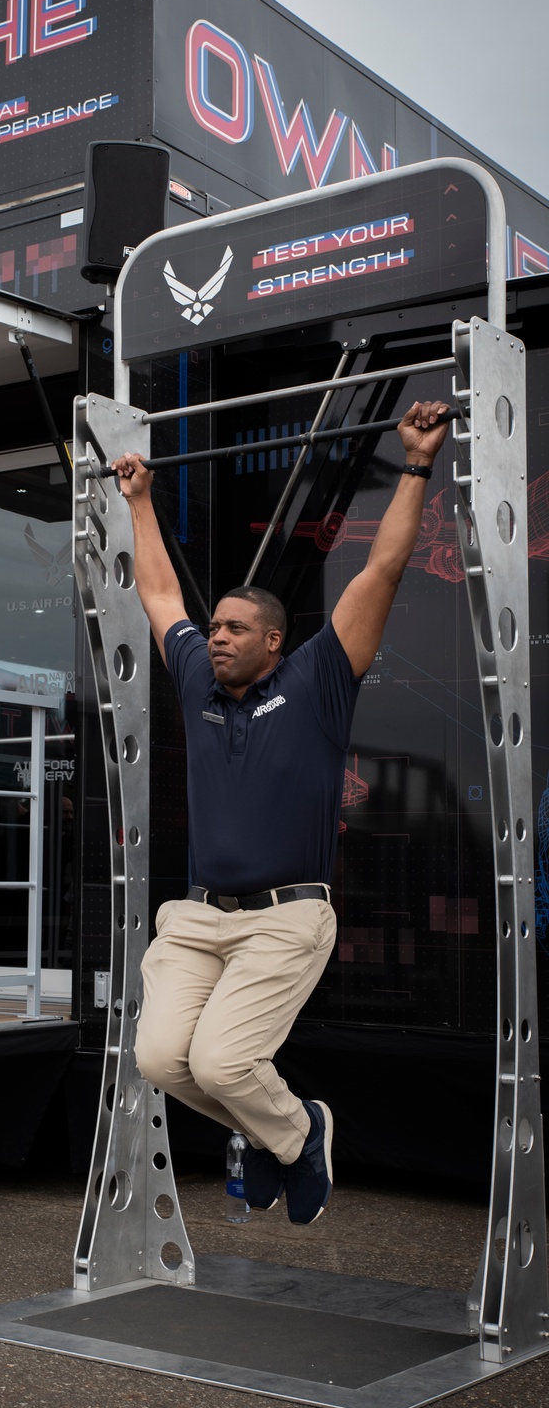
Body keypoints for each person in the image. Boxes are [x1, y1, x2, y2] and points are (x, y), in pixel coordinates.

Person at [112, 399, 450, 1225]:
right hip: (197, 919)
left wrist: (413, 465)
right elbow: (158, 591)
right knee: (160, 1059)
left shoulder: (317, 682)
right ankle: (283, 1137)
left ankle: (294, 1136)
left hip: (283, 920)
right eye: (214, 626)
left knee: (225, 1065)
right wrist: (140, 500)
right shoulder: (196, 680)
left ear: (274, 640)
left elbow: (382, 573)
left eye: (235, 628)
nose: (215, 636)